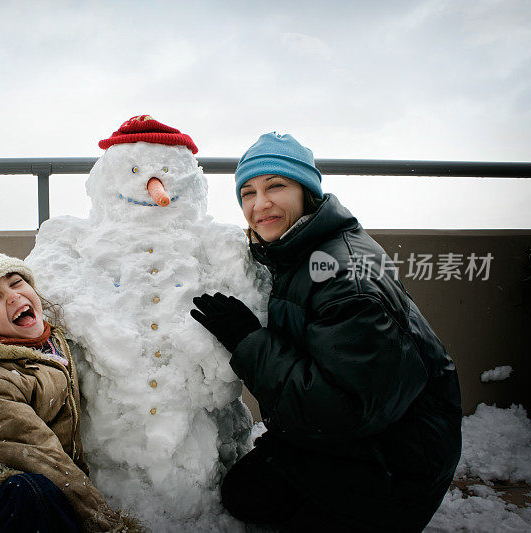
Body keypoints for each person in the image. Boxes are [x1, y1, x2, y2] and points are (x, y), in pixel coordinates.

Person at [190, 133, 462, 532]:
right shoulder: (302, 251)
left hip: (394, 466)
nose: (259, 204)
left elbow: (344, 409)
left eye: (275, 186)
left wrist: (249, 341)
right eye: (247, 192)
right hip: (360, 443)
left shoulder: (344, 276)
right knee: (245, 493)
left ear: (307, 192)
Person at [0, 238, 140, 533]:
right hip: (0, 498)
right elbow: (43, 460)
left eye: (16, 282)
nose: (11, 296)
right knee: (30, 491)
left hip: (44, 479)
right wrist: (110, 527)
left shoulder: (48, 343)